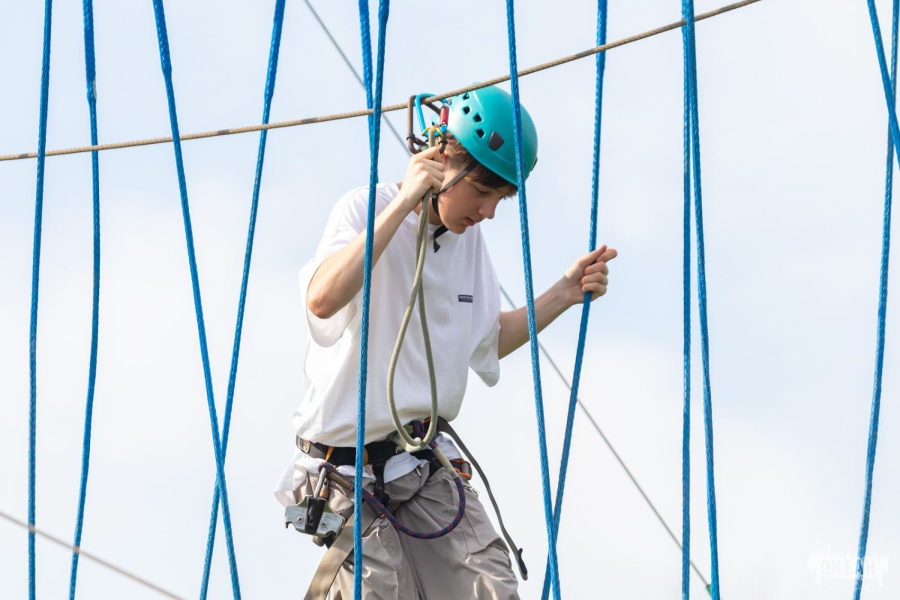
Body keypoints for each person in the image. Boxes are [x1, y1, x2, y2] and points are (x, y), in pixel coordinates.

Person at [275, 85, 617, 600]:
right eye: (482, 191)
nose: (488, 211)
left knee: (492, 586)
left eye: (500, 198)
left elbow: (487, 339)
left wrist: (563, 293)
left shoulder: (467, 243)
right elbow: (322, 300)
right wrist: (404, 204)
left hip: (420, 461)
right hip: (344, 470)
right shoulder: (366, 208)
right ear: (440, 161)